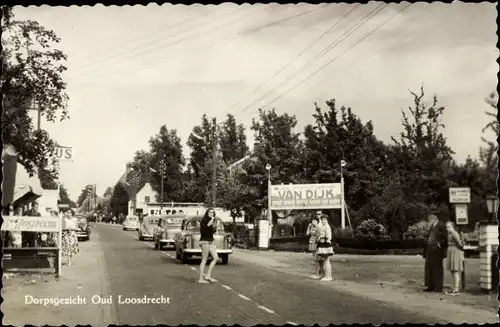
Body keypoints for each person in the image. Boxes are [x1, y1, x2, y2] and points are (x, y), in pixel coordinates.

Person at [423, 213, 448, 293]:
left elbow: (445, 237)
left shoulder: (441, 225)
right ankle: (430, 286)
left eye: (432, 217)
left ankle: (438, 287)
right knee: (429, 267)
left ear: (436, 217)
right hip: (430, 249)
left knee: (437, 268)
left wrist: (440, 244)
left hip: (437, 250)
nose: (430, 218)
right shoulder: (432, 226)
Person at [198, 208, 219, 284]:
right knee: (204, 259)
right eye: (210, 212)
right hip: (204, 241)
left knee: (216, 258)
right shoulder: (204, 220)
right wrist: (211, 221)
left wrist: (215, 227)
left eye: (213, 212)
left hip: (211, 241)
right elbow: (205, 230)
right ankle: (200, 278)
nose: (211, 213)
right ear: (207, 213)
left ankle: (208, 275)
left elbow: (212, 231)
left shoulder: (213, 221)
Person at [445, 221, 464, 295]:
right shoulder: (449, 234)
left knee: (455, 270)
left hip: (455, 251)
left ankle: (456, 289)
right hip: (450, 251)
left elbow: (459, 243)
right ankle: (455, 288)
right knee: (452, 270)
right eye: (447, 227)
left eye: (449, 227)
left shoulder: (454, 233)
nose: (448, 228)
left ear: (452, 227)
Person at [316, 213, 334, 281]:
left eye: (324, 219)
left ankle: (328, 276)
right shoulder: (324, 226)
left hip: (326, 245)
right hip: (323, 245)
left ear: (326, 220)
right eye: (322, 219)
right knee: (325, 261)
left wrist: (321, 238)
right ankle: (327, 275)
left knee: (326, 261)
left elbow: (328, 236)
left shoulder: (327, 226)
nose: (322, 221)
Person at [306, 213, 322, 279]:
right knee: (314, 258)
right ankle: (316, 271)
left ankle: (317, 272)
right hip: (311, 242)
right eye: (312, 221)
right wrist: (309, 227)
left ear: (317, 221)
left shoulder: (318, 227)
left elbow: (319, 236)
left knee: (316, 258)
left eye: (314, 221)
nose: (313, 222)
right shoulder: (312, 227)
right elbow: (307, 234)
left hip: (315, 243)